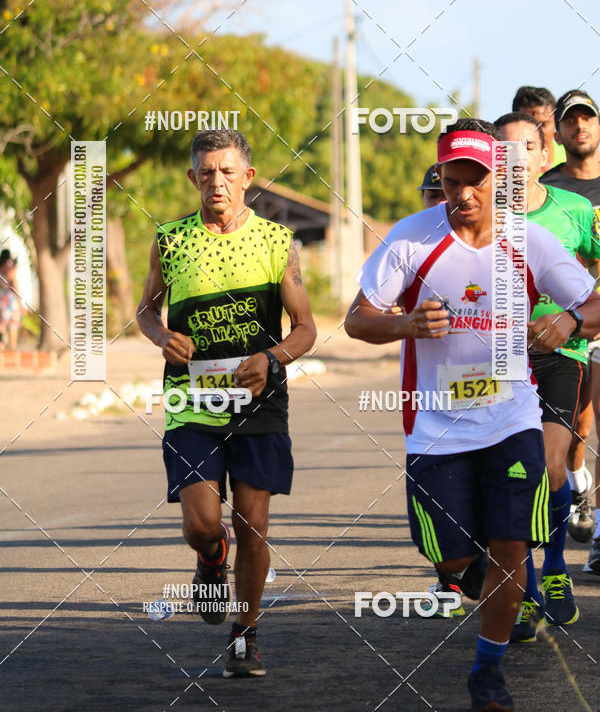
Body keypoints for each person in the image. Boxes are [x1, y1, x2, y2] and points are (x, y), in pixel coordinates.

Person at [344, 118, 600, 711]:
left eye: (475, 180)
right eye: (450, 180)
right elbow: (358, 319)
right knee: (453, 557)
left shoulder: (528, 241)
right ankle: (487, 582)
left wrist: (568, 321)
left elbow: (592, 303)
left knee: (512, 548)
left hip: (511, 420)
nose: (462, 194)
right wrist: (404, 324)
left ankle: (488, 672)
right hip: (435, 427)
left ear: (496, 177)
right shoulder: (410, 239)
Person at [137, 129, 316, 678]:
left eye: (227, 171)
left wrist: (274, 358)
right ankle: (211, 557)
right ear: (193, 178)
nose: (217, 181)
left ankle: (245, 634)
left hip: (259, 402)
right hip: (194, 402)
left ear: (248, 177)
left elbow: (306, 328)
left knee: (255, 524)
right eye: (206, 172)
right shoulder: (170, 241)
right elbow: (145, 311)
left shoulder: (276, 242)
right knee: (202, 523)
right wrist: (160, 335)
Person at [496, 111, 600, 638]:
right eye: (503, 150)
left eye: (524, 149)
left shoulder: (577, 210)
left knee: (552, 468)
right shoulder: (473, 213)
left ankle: (555, 565)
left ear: (544, 157)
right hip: (492, 357)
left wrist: (573, 318)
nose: (514, 160)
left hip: (561, 354)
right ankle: (528, 588)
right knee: (511, 472)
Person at [540, 90, 600, 574]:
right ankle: (578, 486)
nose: (581, 127)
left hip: (597, 319)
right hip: (561, 332)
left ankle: (599, 535)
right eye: (571, 121)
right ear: (556, 134)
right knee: (577, 430)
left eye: (589, 118)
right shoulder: (543, 190)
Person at [512, 86, 566, 172]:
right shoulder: (503, 164)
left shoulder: (571, 156)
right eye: (529, 125)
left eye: (543, 124)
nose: (537, 132)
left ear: (555, 122)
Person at [0, 249, 23, 350]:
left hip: (2, 301)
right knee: (13, 328)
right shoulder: (11, 271)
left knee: (2, 327)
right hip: (11, 303)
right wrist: (21, 305)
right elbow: (16, 288)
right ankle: (12, 353)